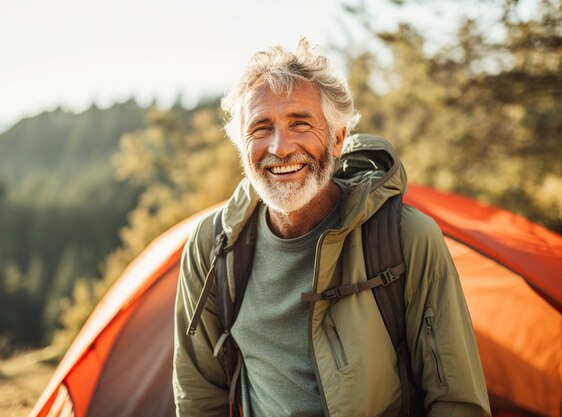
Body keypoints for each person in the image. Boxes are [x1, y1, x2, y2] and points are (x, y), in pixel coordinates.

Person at [172, 38, 491, 417]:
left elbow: (457, 403)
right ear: (242, 146)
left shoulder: (406, 238)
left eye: (300, 123)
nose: (281, 147)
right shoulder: (213, 246)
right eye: (261, 127)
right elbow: (197, 396)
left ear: (337, 139)